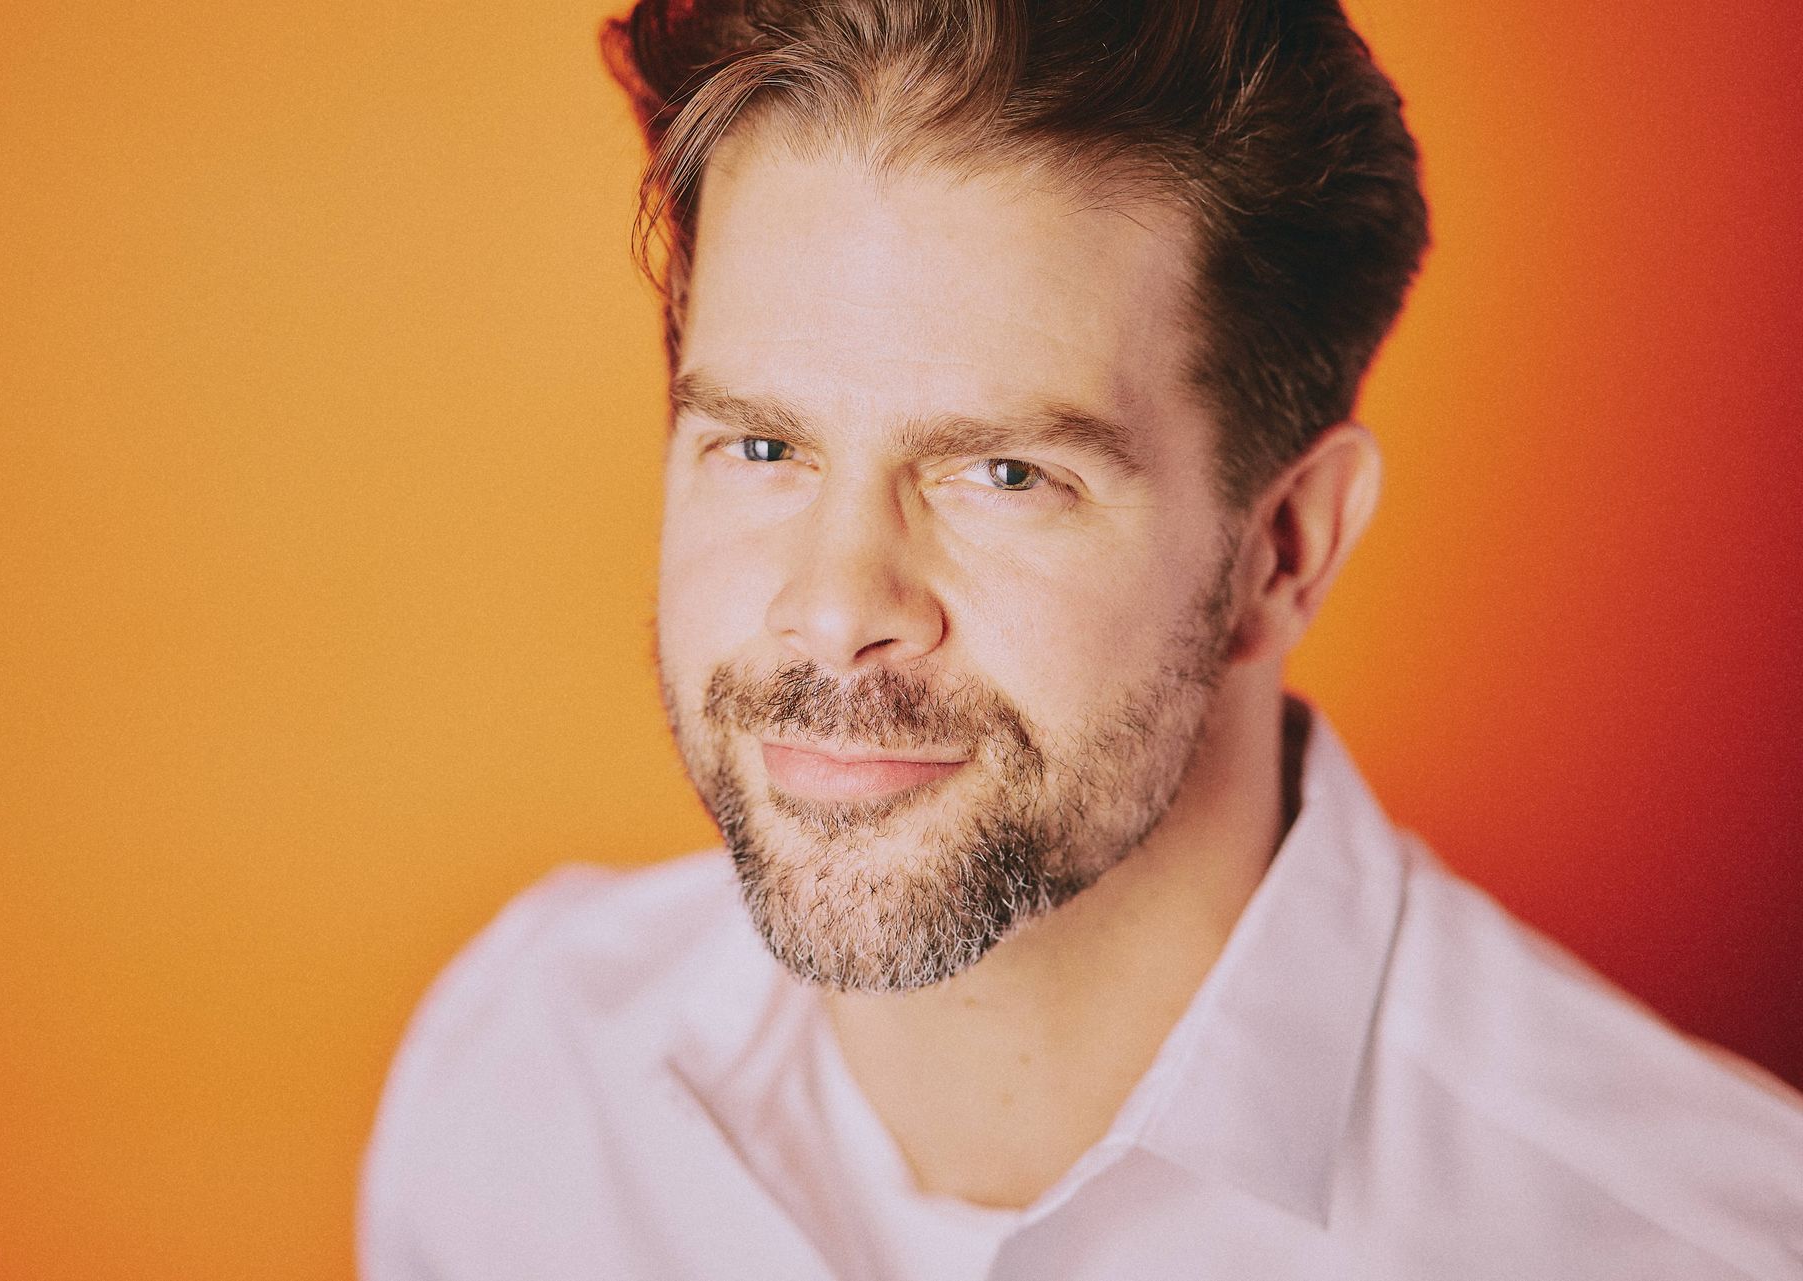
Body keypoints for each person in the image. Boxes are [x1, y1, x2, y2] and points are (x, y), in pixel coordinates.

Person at [360, 2, 1803, 1277]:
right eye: (760, 444)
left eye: (1005, 474)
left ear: (1283, 547)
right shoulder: (520, 1070)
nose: (836, 605)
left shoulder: (1697, 1239)